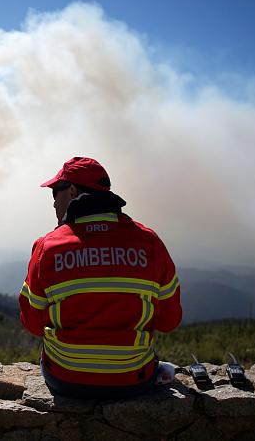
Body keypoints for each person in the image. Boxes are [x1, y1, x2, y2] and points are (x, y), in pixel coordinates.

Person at [19, 157, 182, 400]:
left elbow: (32, 324)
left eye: (55, 193)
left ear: (72, 192)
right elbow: (169, 321)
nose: (53, 203)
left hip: (65, 379)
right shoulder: (150, 243)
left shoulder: (47, 247)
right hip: (133, 380)